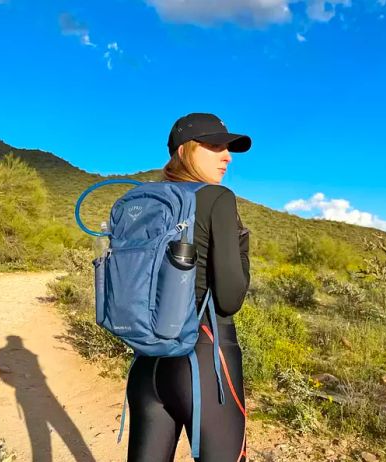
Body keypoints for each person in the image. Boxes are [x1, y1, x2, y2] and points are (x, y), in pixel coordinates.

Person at [125, 113, 252, 462]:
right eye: (214, 146)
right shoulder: (216, 198)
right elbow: (228, 299)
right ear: (183, 151)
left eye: (227, 148)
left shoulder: (144, 201)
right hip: (203, 361)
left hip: (146, 365)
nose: (226, 155)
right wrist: (241, 246)